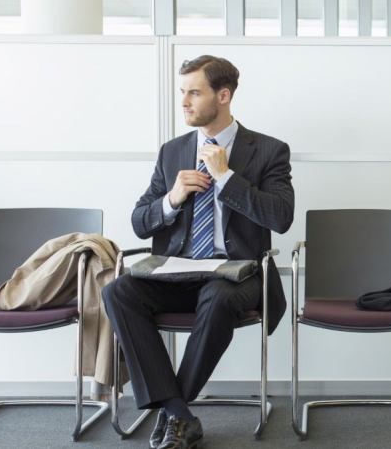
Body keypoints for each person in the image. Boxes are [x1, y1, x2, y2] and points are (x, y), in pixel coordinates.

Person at [102, 55, 294, 449]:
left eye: (194, 92)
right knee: (117, 291)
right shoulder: (172, 151)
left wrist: (226, 178)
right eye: (182, 92)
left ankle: (172, 412)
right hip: (177, 272)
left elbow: (281, 217)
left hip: (239, 274)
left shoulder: (268, 150)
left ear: (223, 96)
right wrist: (171, 199)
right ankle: (179, 413)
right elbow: (140, 222)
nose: (184, 102)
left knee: (217, 295)